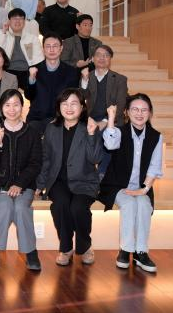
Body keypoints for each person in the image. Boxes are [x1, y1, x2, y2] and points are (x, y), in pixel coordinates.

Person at [36, 89, 103, 267]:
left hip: (84, 181)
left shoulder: (89, 127)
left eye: (74, 103)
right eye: (64, 103)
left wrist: (91, 135)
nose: (69, 107)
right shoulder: (52, 128)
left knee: (78, 208)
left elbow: (95, 158)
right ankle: (65, 248)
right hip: (58, 181)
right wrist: (40, 184)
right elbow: (46, 158)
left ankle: (85, 246)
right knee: (60, 205)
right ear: (59, 107)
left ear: (82, 107)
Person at [100, 95, 162, 273]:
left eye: (144, 110)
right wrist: (111, 118)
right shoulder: (119, 132)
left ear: (150, 113)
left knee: (144, 204)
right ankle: (125, 249)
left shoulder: (156, 136)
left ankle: (140, 251)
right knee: (128, 203)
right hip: (117, 185)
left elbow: (155, 166)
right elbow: (110, 144)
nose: (139, 113)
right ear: (127, 112)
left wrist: (145, 189)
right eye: (135, 109)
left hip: (142, 186)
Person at [0, 89, 42, 271]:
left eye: (16, 104)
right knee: (6, 206)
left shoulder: (32, 132)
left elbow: (35, 163)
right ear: (2, 108)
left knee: (21, 208)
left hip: (25, 186)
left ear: (22, 107)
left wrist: (19, 184)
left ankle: (30, 251)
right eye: (7, 105)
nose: (12, 109)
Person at [25, 34, 85, 134]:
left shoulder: (72, 72)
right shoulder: (33, 70)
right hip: (37, 119)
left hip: (62, 119)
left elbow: (75, 98)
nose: (51, 49)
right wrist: (32, 79)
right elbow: (29, 96)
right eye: (48, 46)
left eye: (55, 46)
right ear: (43, 49)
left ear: (61, 48)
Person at [0, 8, 44, 90]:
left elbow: (39, 59)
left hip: (27, 71)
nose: (17, 21)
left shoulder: (32, 38)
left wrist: (33, 71)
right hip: (8, 71)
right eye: (14, 18)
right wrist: (3, 32)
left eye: (21, 18)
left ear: (24, 22)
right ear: (9, 21)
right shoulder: (3, 35)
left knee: (34, 88)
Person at [81, 44, 128, 129]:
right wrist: (84, 80)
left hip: (113, 122)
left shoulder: (120, 80)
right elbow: (82, 99)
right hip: (89, 122)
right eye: (98, 55)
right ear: (93, 59)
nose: (102, 58)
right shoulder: (86, 76)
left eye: (106, 55)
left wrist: (106, 121)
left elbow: (121, 105)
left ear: (110, 59)